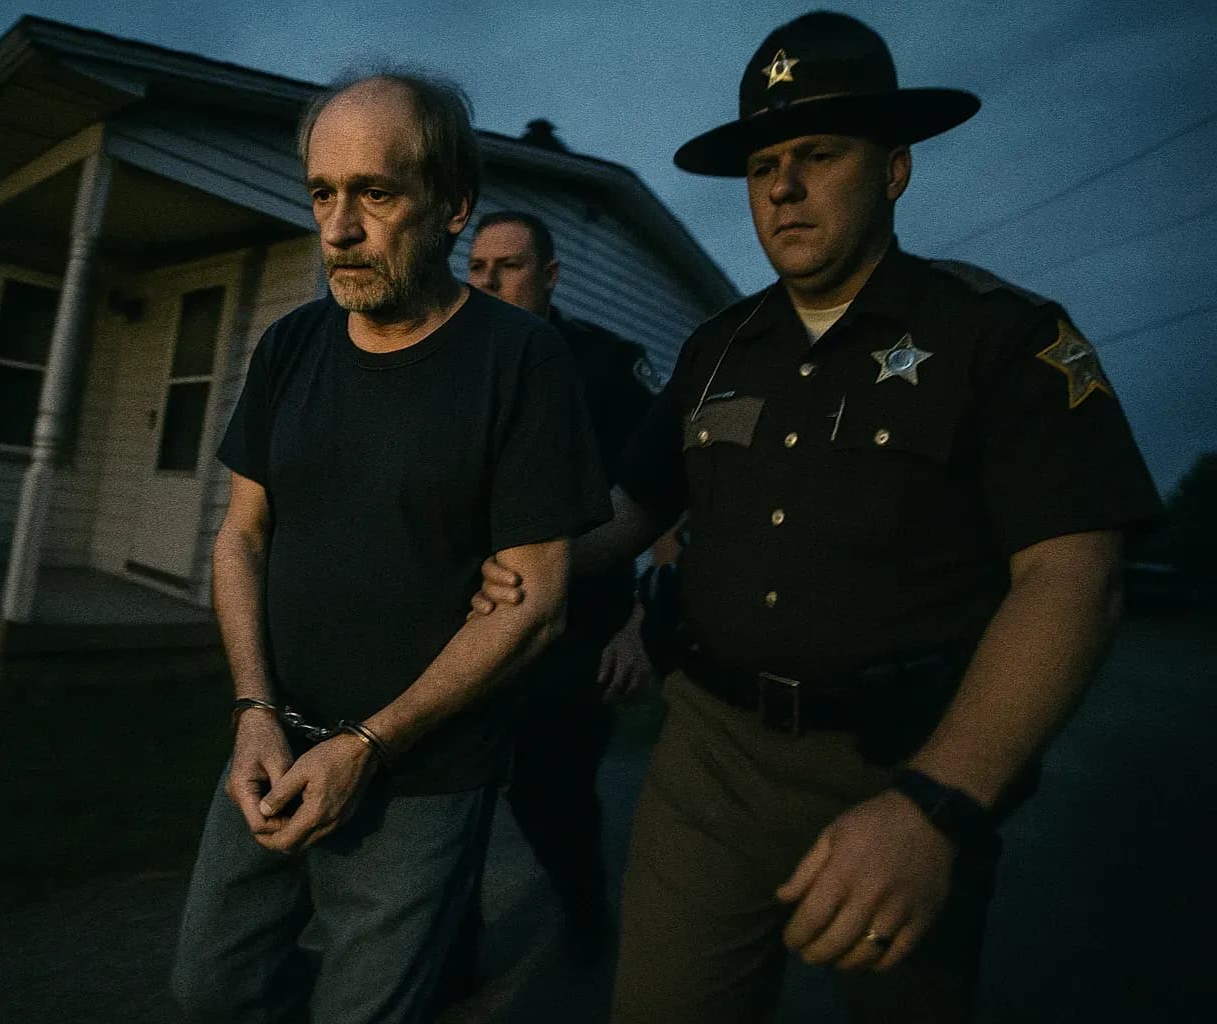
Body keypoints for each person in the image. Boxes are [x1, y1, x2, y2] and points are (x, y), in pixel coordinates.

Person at [471, 12, 1161, 1022]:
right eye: (762, 165)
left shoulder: (1002, 336)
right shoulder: (719, 349)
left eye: (818, 154)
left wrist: (937, 805)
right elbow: (630, 506)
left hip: (907, 757)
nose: (783, 186)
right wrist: (535, 558)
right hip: (711, 759)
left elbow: (1074, 579)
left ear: (894, 168)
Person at [167, 71, 610, 1024]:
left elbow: (536, 602)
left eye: (375, 193)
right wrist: (252, 709)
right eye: (323, 194)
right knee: (211, 989)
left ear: (454, 208)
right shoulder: (289, 346)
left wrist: (370, 746)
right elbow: (240, 538)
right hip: (274, 742)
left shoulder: (521, 362)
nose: (339, 228)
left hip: (420, 776)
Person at [462, 211, 656, 948]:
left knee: (553, 800)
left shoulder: (604, 367)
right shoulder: (451, 362)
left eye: (506, 267)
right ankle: (450, 956)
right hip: (467, 625)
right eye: (476, 268)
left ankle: (583, 917)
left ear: (548, 277)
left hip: (574, 631)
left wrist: (641, 625)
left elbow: (660, 498)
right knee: (455, 802)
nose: (487, 282)